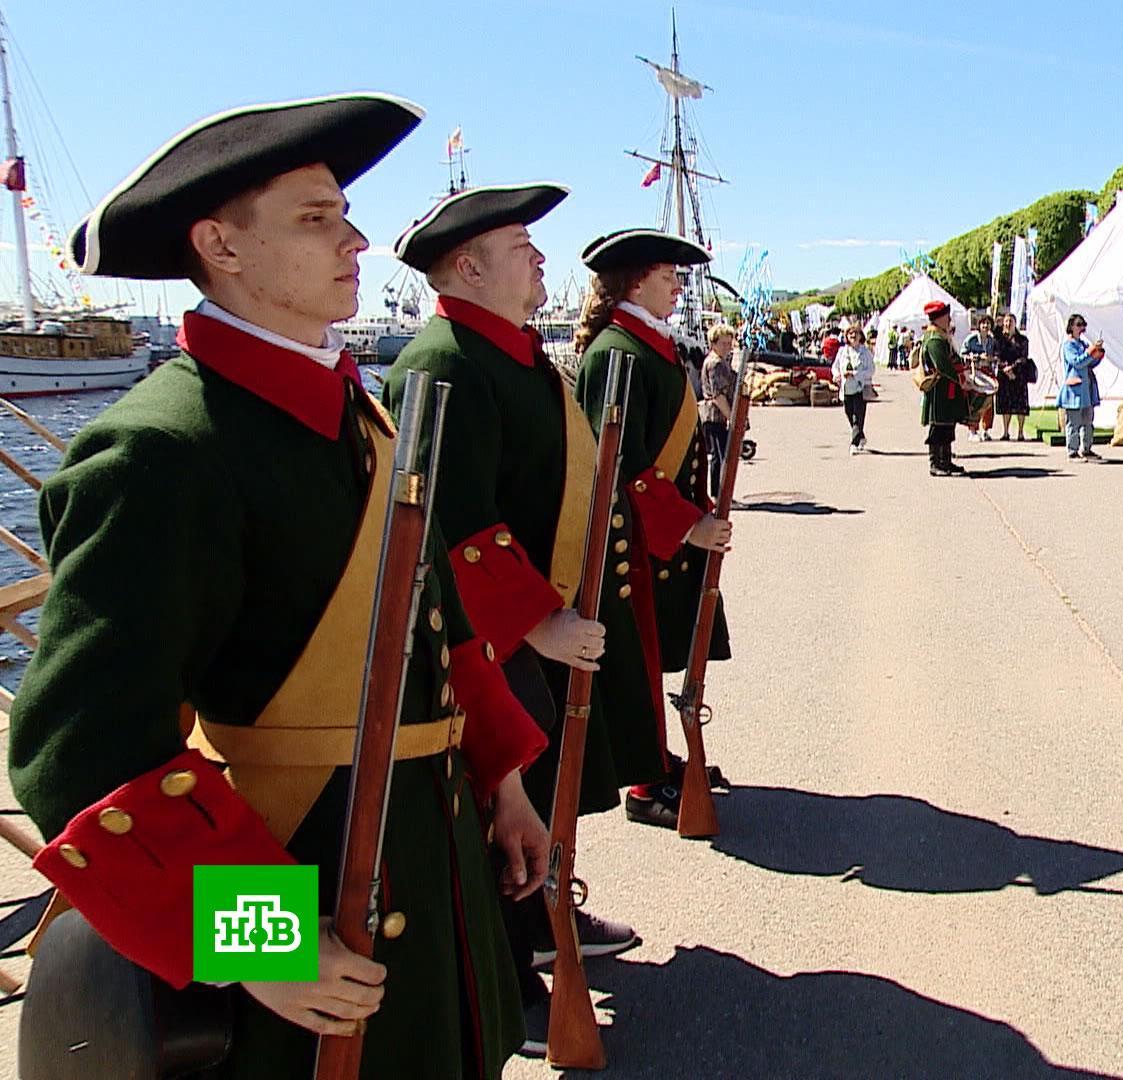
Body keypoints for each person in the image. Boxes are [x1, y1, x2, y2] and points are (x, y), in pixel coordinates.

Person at [10, 93, 549, 1076]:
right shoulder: (161, 449)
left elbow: (430, 630)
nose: (356, 239)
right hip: (303, 881)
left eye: (344, 214)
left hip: (432, 866)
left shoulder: (364, 422)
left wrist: (503, 781)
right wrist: (265, 941)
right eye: (315, 218)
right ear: (222, 245)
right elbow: (78, 749)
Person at [387, 181, 645, 1055]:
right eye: (519, 247)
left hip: (507, 629)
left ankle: (533, 930)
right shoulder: (441, 361)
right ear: (467, 266)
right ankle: (509, 973)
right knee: (493, 816)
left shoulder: (507, 355)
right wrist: (534, 622)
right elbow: (451, 525)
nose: (540, 259)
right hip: (481, 639)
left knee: (522, 803)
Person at [573, 229, 736, 828]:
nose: (677, 285)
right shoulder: (617, 353)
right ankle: (646, 783)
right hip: (630, 539)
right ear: (636, 281)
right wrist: (689, 526)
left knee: (653, 654)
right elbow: (621, 466)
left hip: (656, 536)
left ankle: (655, 759)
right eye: (668, 276)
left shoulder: (648, 348)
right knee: (636, 659)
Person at [919, 301, 968, 476]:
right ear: (939, 318)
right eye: (946, 315)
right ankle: (935, 462)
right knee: (938, 426)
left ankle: (946, 461)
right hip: (939, 390)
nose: (949, 319)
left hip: (947, 389)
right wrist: (960, 378)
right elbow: (943, 366)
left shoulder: (941, 336)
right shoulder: (934, 339)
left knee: (947, 426)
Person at [702, 324, 740, 497]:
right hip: (715, 415)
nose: (727, 347)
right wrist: (731, 416)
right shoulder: (715, 363)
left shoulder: (719, 361)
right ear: (714, 343)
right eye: (723, 343)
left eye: (729, 343)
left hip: (716, 415)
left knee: (719, 456)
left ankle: (718, 494)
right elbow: (718, 395)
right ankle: (718, 495)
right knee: (721, 456)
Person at [1057, 313, 1102, 461]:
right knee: (1073, 422)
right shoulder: (1068, 345)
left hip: (1086, 389)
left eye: (1083, 324)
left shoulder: (1083, 344)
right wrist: (1090, 353)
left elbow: (1090, 363)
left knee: (1088, 421)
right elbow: (1077, 362)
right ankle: (1072, 451)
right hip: (1074, 390)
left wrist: (1098, 355)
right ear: (1071, 327)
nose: (1082, 327)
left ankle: (1087, 448)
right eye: (1078, 324)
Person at [994, 313, 1034, 441]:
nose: (1008, 324)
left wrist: (1012, 368)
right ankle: (1005, 432)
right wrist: (1005, 368)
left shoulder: (1023, 340)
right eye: (1006, 321)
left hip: (1019, 374)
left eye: (1010, 321)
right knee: (1005, 404)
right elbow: (996, 356)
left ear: (1015, 323)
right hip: (1004, 375)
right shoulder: (999, 339)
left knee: (1020, 405)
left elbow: (1023, 357)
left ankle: (1021, 433)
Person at [838, 327, 875, 453]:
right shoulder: (842, 351)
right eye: (850, 333)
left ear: (860, 336)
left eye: (855, 333)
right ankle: (861, 436)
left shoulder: (866, 352)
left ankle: (854, 443)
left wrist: (856, 374)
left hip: (860, 388)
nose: (853, 335)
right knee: (849, 414)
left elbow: (871, 370)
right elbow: (835, 367)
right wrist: (837, 374)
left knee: (857, 417)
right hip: (846, 388)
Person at [963, 314, 995, 441]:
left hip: (988, 373)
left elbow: (996, 355)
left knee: (988, 403)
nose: (986, 326)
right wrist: (976, 356)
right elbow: (962, 354)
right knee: (975, 402)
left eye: (988, 324)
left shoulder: (992, 341)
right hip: (975, 372)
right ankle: (972, 430)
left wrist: (992, 358)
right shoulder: (971, 339)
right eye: (983, 323)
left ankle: (986, 429)